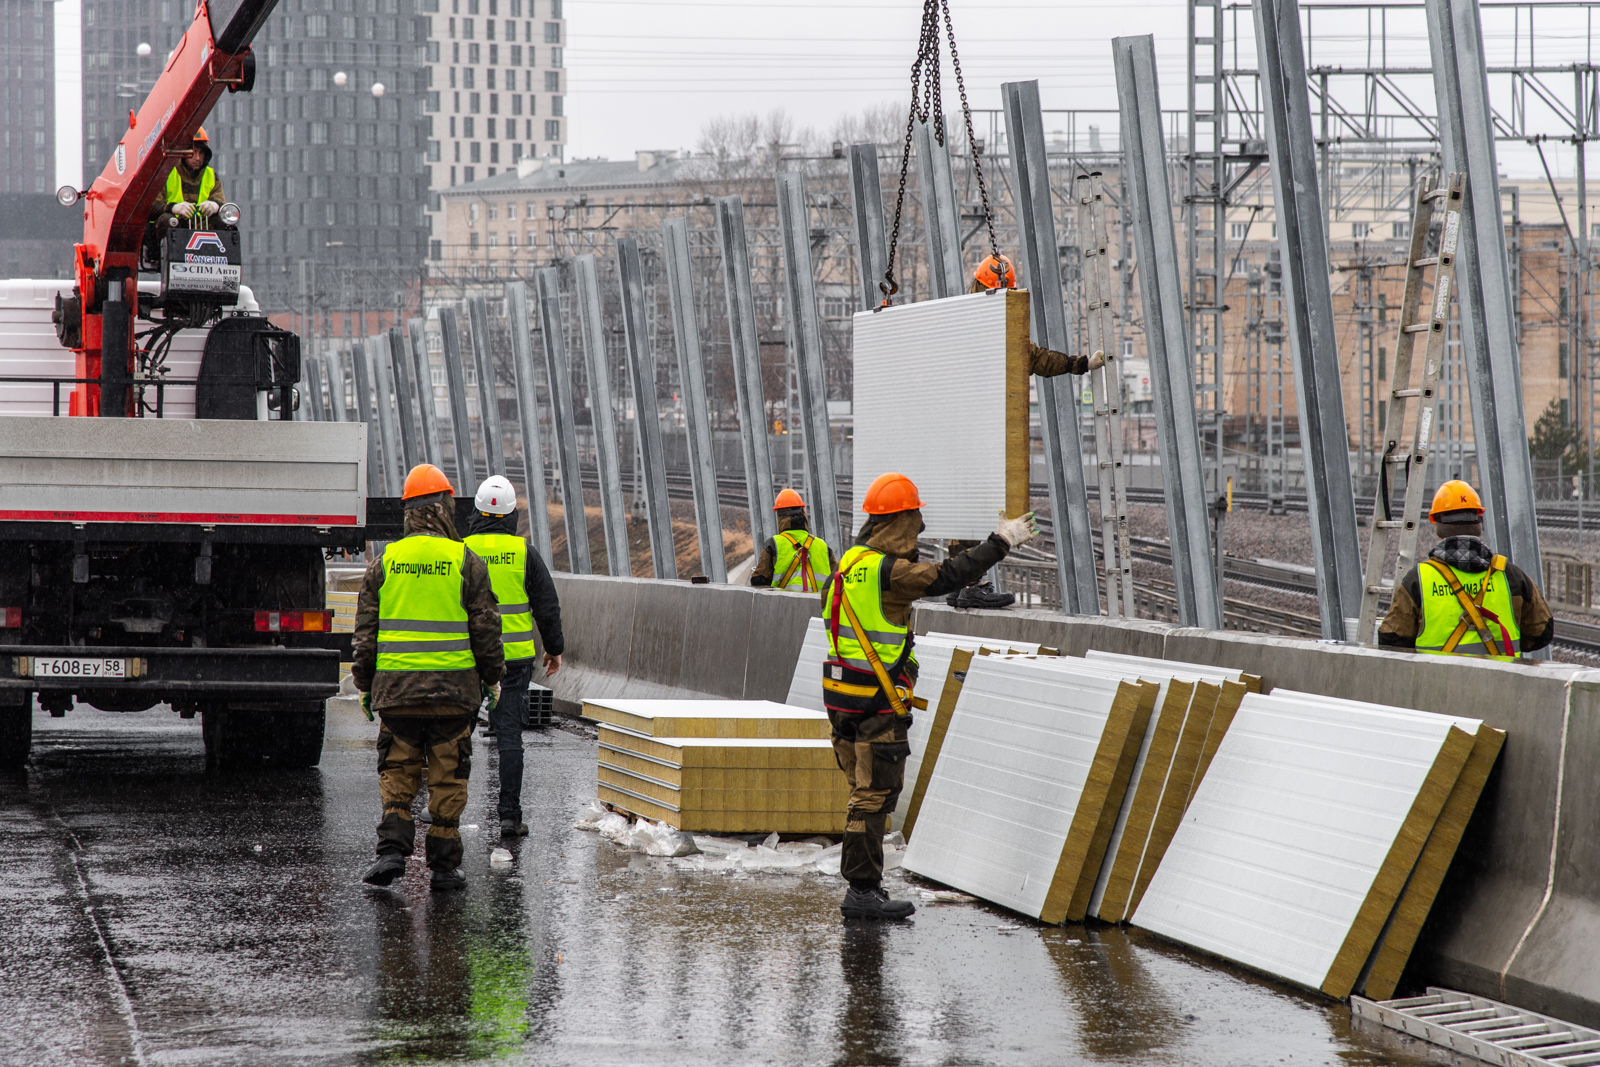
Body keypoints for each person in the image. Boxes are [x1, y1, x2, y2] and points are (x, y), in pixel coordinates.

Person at [823, 471, 1039, 920]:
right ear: (900, 521)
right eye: (915, 523)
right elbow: (945, 577)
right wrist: (1000, 542)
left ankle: (868, 887)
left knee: (865, 791)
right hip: (874, 703)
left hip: (842, 697)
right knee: (873, 794)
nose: (917, 533)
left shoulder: (847, 565)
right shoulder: (887, 570)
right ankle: (861, 892)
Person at [356, 464, 506, 892]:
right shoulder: (466, 562)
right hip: (453, 696)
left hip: (397, 693)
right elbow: (486, 631)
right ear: (445, 508)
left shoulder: (386, 562)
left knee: (398, 772)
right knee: (447, 777)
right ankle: (443, 867)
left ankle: (391, 853)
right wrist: (492, 679)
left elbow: (366, 633)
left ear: (408, 511)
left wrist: (365, 684)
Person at [464, 475, 566, 838]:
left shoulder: (460, 550)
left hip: (469, 658)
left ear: (476, 510)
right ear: (512, 514)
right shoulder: (525, 553)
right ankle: (509, 816)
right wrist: (554, 648)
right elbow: (547, 606)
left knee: (457, 732)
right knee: (509, 736)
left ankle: (442, 812)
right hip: (514, 661)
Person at [1378, 480, 1553, 658]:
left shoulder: (1418, 579)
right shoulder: (1511, 576)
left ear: (1437, 525)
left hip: (1437, 683)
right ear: (1478, 522)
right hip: (1500, 683)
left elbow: (1392, 639)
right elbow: (1541, 632)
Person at [971, 254, 1107, 378]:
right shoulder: (1001, 334)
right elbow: (1039, 360)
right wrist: (1083, 364)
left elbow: (1039, 359)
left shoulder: (961, 319)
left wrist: (1084, 364)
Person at [144, 128, 226, 264]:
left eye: (201, 153)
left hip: (201, 228)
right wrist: (173, 208)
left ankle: (219, 261)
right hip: (175, 227)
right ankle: (160, 259)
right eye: (193, 153)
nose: (198, 158)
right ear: (183, 153)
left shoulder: (211, 176)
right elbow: (150, 208)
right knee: (167, 220)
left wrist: (215, 205)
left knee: (225, 222)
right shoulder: (166, 173)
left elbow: (221, 202)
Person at [751, 488, 836, 592]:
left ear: (779, 516)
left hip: (783, 606)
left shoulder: (773, 545)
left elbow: (758, 581)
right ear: (802, 512)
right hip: (817, 606)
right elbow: (838, 581)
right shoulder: (823, 546)